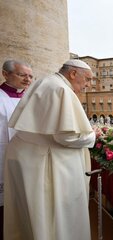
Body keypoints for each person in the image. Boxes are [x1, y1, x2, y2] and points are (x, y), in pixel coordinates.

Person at [4, 59, 95, 240]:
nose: (88, 85)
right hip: (42, 162)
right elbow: (66, 136)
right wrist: (93, 135)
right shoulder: (61, 89)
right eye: (87, 79)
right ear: (73, 73)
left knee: (31, 215)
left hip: (29, 157)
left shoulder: (48, 82)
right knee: (49, 215)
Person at [0, 59, 33, 240]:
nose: (28, 80)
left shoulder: (31, 98)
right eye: (22, 75)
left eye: (30, 76)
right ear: (5, 74)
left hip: (26, 158)